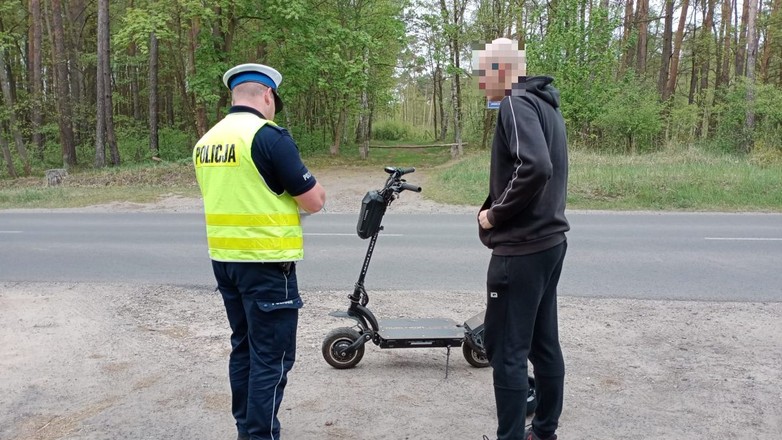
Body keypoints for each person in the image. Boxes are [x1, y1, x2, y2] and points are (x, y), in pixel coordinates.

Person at [192, 63, 326, 440]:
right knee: (272, 357)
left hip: (225, 262)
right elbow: (313, 201)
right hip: (268, 264)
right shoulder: (267, 137)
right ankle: (259, 435)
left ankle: (246, 428)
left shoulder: (206, 142)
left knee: (245, 349)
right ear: (267, 96)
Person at [474, 38, 570, 440]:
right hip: (550, 243)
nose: (481, 84)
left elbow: (536, 167)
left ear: (500, 70)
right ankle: (543, 430)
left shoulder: (515, 102)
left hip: (523, 247)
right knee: (543, 342)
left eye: (482, 74)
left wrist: (495, 214)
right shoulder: (545, 104)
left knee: (507, 351)